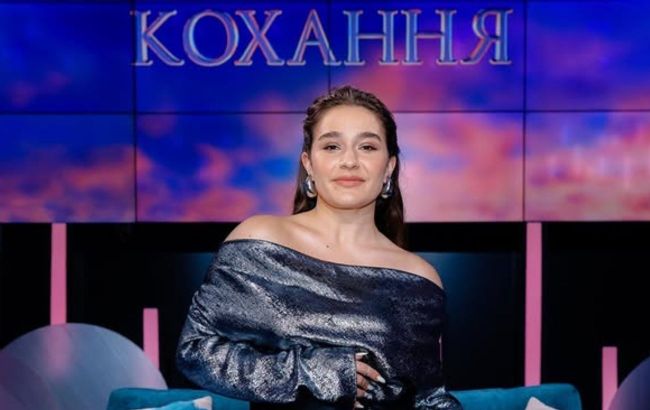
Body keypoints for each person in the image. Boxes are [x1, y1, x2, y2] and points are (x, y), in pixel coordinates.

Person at [176, 86, 463, 410]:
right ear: (309, 164)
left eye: (367, 147)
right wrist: (313, 373)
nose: (350, 161)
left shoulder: (418, 277)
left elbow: (428, 398)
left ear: (389, 167)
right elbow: (195, 350)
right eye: (332, 146)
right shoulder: (260, 241)